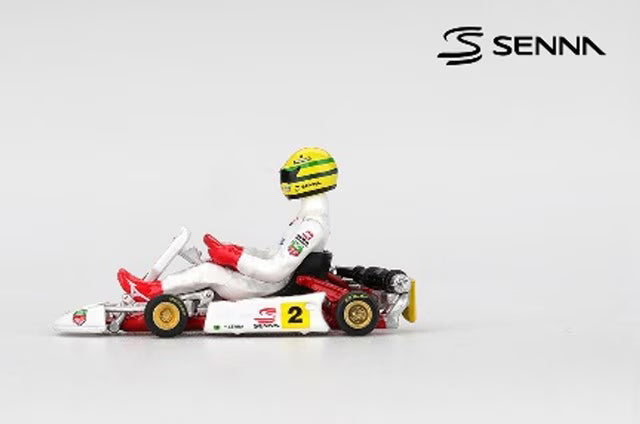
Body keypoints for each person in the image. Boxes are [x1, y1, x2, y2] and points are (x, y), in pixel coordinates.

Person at [118, 147, 337, 301]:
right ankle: (154, 289)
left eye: (290, 177)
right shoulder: (306, 219)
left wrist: (235, 259)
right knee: (211, 267)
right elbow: (274, 254)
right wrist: (237, 251)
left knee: (207, 271)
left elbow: (276, 270)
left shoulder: (311, 226)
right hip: (274, 281)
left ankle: (149, 292)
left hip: (271, 286)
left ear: (309, 178)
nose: (286, 183)